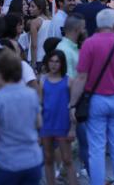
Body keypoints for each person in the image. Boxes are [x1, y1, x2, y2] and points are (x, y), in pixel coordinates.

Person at [69, 9, 114, 185]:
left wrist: (73, 104)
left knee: (96, 148)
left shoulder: (89, 44)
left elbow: (81, 77)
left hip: (96, 99)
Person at [0, 49, 43, 185]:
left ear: (1, 74)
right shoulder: (31, 95)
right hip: (32, 161)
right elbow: (39, 123)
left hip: (7, 162)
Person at [40, 50, 77, 185]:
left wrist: (72, 128)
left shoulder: (69, 81)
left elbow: (73, 108)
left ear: (62, 64)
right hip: (46, 124)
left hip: (63, 125)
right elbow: (39, 104)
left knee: (67, 159)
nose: (54, 65)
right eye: (51, 61)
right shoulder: (43, 81)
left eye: (57, 62)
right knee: (48, 159)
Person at [28, 0, 51, 71]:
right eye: (30, 6)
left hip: (37, 58)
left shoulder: (34, 22)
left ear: (40, 8)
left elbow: (34, 45)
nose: (29, 9)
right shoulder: (50, 20)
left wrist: (33, 64)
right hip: (48, 58)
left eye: (33, 6)